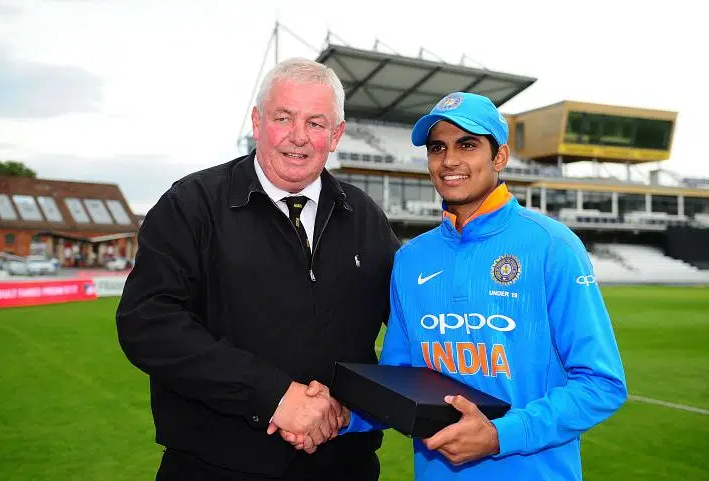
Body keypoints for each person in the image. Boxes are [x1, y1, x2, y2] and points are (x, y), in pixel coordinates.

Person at [301, 92, 628, 479]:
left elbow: (601, 384)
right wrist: (342, 415)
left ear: (500, 157)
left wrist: (499, 435)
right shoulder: (411, 259)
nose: (449, 160)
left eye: (467, 145)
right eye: (438, 147)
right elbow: (397, 383)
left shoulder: (552, 245)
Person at [116, 57, 400, 481]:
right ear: (257, 121)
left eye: (316, 123)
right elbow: (148, 323)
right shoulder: (190, 205)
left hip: (344, 463)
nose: (298, 137)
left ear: (336, 134)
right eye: (283, 118)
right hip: (214, 467)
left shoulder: (364, 216)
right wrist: (273, 396)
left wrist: (353, 407)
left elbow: (410, 327)